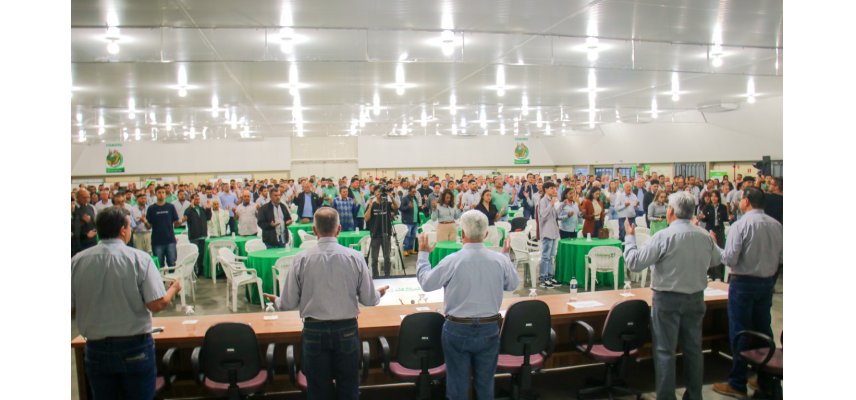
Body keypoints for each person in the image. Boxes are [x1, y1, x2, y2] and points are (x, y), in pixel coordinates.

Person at [263, 208, 389, 400]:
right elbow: (369, 300)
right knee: (348, 388)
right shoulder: (354, 257)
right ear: (338, 229)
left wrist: (277, 301)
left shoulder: (301, 259)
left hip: (314, 330)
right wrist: (378, 294)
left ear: (314, 230)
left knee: (318, 390)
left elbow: (288, 303)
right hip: (346, 329)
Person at [72, 207, 182, 400]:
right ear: (123, 230)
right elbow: (156, 304)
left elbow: (72, 309)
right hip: (134, 347)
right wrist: (174, 288)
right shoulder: (139, 259)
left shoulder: (78, 261)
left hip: (96, 348)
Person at [623, 191, 722, 400]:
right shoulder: (703, 235)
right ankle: (694, 396)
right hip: (695, 297)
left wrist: (630, 238)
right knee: (694, 350)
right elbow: (716, 260)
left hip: (667, 299)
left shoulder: (663, 236)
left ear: (670, 211)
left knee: (665, 351)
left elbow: (635, 262)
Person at [415, 211, 518, 400]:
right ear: (486, 234)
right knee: (486, 384)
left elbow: (427, 283)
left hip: (457, 328)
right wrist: (506, 257)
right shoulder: (499, 260)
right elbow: (512, 284)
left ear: (462, 234)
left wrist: (423, 255)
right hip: (489, 328)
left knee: (457, 385)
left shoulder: (453, 260)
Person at [711, 187, 783, 399]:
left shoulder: (740, 225)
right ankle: (763, 378)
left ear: (746, 201)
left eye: (741, 198)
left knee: (740, 331)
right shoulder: (776, 225)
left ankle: (737, 382)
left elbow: (730, 259)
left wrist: (715, 244)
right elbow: (781, 257)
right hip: (767, 283)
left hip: (743, 283)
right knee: (763, 328)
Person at [365, 186, 398, 277]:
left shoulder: (387, 203)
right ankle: (376, 277)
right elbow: (366, 218)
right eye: (378, 192)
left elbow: (396, 207)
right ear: (375, 193)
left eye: (381, 192)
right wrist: (370, 206)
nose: (380, 194)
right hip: (375, 234)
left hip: (386, 233)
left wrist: (391, 197)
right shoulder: (372, 204)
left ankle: (387, 276)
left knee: (387, 257)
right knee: (374, 258)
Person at [146, 186, 181, 268]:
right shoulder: (151, 209)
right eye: (159, 192)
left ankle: (172, 280)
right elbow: (149, 226)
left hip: (170, 241)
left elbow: (176, 223)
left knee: (172, 264)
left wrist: (180, 221)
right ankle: (161, 281)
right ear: (155, 194)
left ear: (165, 194)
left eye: (163, 192)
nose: (161, 194)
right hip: (157, 242)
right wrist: (144, 222)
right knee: (159, 266)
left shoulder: (170, 207)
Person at [698, 190, 728, 281]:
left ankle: (719, 275)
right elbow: (704, 219)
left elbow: (725, 219)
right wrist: (702, 217)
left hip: (719, 230)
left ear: (718, 197)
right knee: (710, 252)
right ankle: (711, 274)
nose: (713, 198)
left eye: (715, 196)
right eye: (712, 196)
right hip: (709, 230)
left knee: (719, 252)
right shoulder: (707, 207)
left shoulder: (723, 207)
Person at [536, 182, 561, 289]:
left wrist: (558, 205)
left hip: (554, 231)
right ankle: (543, 278)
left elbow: (556, 215)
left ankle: (550, 277)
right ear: (546, 189)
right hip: (547, 232)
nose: (554, 190)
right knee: (545, 256)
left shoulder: (552, 200)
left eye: (554, 188)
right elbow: (543, 215)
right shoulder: (543, 201)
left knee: (551, 256)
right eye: (551, 188)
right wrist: (551, 205)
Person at [182, 193, 211, 275]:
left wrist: (208, 209)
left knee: (201, 254)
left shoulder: (202, 209)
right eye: (195, 199)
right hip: (194, 236)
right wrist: (191, 207)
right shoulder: (189, 210)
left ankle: (200, 271)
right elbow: (186, 216)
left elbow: (208, 218)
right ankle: (194, 271)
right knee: (194, 254)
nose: (197, 201)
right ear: (191, 200)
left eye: (198, 199)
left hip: (202, 235)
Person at [72, 188, 98, 256]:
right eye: (84, 197)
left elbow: (94, 223)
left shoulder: (91, 207)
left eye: (88, 197)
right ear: (77, 197)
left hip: (92, 242)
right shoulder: (73, 209)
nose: (86, 199)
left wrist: (94, 230)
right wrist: (85, 234)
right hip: (79, 243)